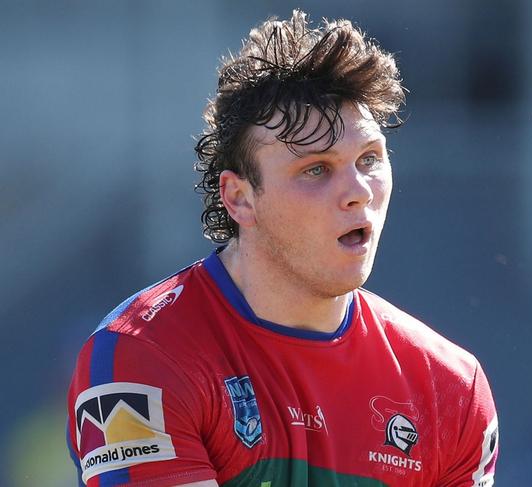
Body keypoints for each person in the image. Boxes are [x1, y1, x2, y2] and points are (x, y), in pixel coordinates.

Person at [67, 10, 498, 487]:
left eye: (369, 159)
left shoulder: (450, 389)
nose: (358, 191)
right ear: (240, 198)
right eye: (315, 169)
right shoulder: (141, 354)